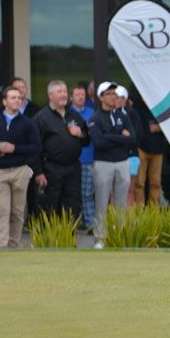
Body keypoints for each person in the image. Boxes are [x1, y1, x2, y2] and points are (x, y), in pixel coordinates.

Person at [0, 86, 41, 248]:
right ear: (4, 101)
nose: (17, 100)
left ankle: (14, 244)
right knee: (2, 210)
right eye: (13, 97)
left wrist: (15, 148)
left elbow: (36, 147)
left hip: (20, 170)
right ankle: (1, 245)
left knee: (18, 211)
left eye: (19, 98)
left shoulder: (27, 123)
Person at [32, 80, 88, 221]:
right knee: (51, 206)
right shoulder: (41, 118)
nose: (63, 94)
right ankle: (52, 235)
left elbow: (87, 140)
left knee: (72, 206)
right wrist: (38, 172)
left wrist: (81, 134)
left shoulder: (74, 115)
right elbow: (34, 149)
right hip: (51, 169)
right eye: (59, 92)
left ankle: (70, 235)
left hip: (73, 168)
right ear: (50, 95)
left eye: (64, 91)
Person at [88, 81, 137, 242]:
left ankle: (118, 236)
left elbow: (132, 139)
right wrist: (120, 136)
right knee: (102, 202)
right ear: (101, 97)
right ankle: (101, 238)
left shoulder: (123, 115)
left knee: (121, 203)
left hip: (123, 162)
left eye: (115, 93)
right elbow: (99, 143)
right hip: (103, 164)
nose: (113, 97)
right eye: (108, 94)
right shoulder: (95, 118)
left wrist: (109, 136)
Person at [70, 83, 96, 230]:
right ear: (71, 97)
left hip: (88, 159)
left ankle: (90, 223)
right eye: (77, 95)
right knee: (72, 194)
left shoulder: (92, 113)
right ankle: (74, 222)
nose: (80, 97)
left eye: (83, 95)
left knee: (87, 194)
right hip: (71, 160)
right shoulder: (67, 113)